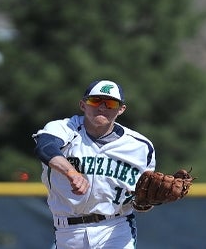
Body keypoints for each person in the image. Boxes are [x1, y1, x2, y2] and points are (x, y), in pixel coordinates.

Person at [33, 79, 156, 249]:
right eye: (95, 100)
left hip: (115, 227)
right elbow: (45, 147)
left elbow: (141, 199)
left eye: (111, 103)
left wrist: (145, 202)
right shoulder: (64, 128)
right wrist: (72, 172)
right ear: (83, 105)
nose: (102, 107)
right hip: (68, 230)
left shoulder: (140, 147)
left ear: (121, 109)